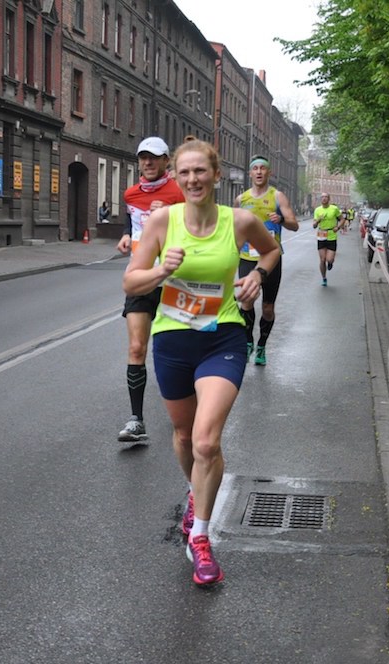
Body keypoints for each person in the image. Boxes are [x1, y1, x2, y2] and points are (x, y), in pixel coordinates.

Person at [122, 138, 280, 585]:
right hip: (172, 339)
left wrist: (257, 275)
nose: (193, 179)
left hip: (222, 337)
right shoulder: (162, 221)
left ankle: (201, 537)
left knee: (206, 443)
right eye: (185, 172)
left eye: (201, 171)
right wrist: (160, 271)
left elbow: (271, 250)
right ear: (177, 175)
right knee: (184, 435)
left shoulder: (239, 220)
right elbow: (130, 281)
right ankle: (197, 492)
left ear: (216, 174)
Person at [115, 137, 185, 443]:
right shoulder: (131, 193)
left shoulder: (179, 193)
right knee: (136, 348)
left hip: (175, 278)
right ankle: (136, 420)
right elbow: (132, 221)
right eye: (143, 157)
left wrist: (170, 213)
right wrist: (125, 235)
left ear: (166, 161)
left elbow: (195, 229)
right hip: (142, 277)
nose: (148, 162)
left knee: (175, 349)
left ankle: (186, 404)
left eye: (154, 157)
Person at [234, 155, 299, 366]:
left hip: (271, 258)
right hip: (247, 257)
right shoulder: (241, 199)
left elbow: (294, 224)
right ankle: (248, 341)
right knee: (246, 300)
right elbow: (233, 228)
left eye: (263, 168)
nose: (259, 172)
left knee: (268, 308)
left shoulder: (277, 196)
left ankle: (262, 345)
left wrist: (281, 219)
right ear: (250, 173)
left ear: (269, 173)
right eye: (255, 169)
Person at [312, 193, 341, 286]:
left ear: (329, 199)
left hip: (332, 235)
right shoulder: (317, 210)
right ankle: (324, 278)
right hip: (321, 235)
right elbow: (314, 225)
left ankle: (331, 262)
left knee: (329, 259)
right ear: (320, 199)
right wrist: (318, 220)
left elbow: (342, 219)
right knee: (322, 259)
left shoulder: (334, 209)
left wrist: (338, 227)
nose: (324, 198)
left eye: (326, 197)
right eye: (322, 197)